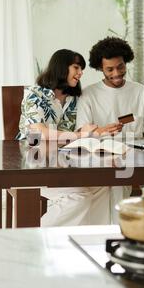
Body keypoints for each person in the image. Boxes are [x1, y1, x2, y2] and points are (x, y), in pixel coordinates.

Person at [76, 37, 144, 221]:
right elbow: (82, 134)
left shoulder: (139, 91)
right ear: (100, 69)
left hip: (139, 155)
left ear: (126, 62)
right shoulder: (89, 94)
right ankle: (118, 235)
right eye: (110, 69)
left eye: (120, 66)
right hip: (105, 155)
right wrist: (101, 131)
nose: (117, 73)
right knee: (117, 188)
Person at [18, 48, 111, 226]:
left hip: (63, 164)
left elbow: (80, 131)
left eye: (81, 69)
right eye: (76, 67)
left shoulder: (74, 100)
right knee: (78, 197)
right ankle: (37, 239)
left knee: (102, 186)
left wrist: (99, 131)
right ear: (61, 67)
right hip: (31, 166)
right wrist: (79, 134)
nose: (80, 73)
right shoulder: (34, 95)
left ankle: (92, 240)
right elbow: (39, 134)